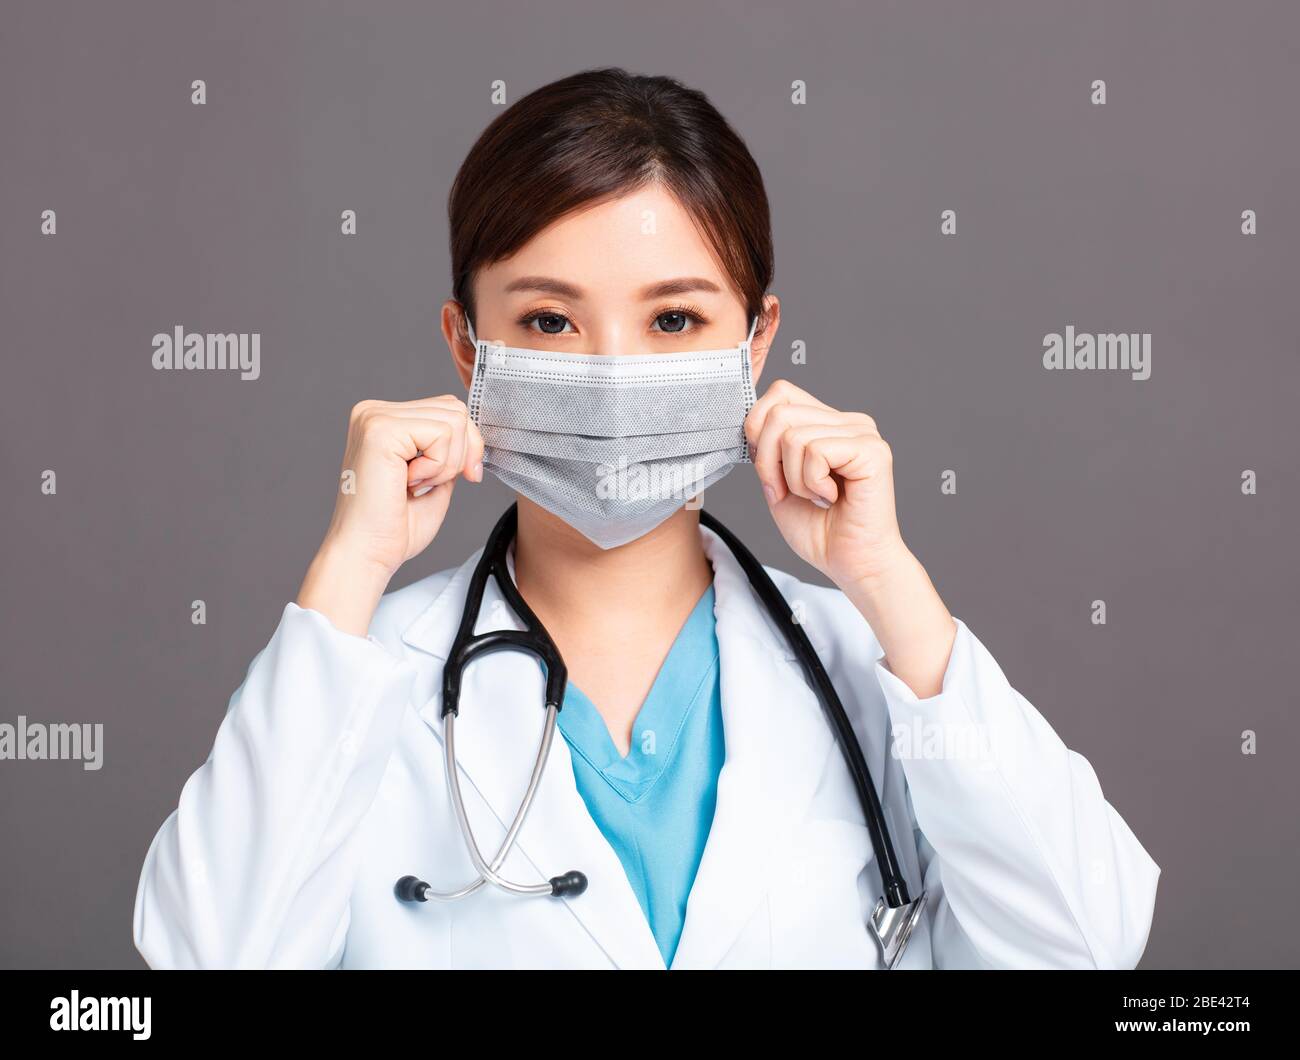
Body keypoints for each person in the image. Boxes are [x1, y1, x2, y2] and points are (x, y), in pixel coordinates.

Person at [132, 67, 1160, 970]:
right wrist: (350, 565)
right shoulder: (367, 675)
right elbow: (203, 960)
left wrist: (889, 582)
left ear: (754, 342)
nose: (614, 372)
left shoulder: (873, 670)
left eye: (675, 319)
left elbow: (1083, 946)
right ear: (466, 348)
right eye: (548, 320)